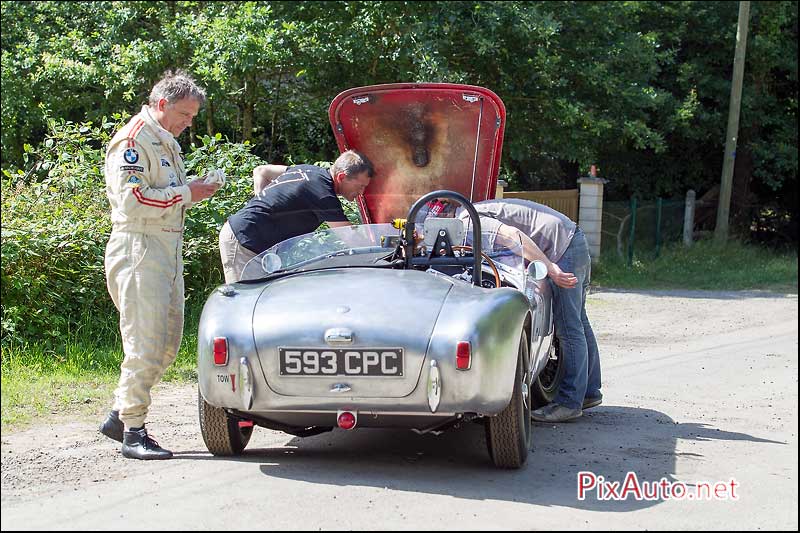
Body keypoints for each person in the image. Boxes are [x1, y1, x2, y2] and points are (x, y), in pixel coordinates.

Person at [99, 70, 220, 459]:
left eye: (193, 117)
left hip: (165, 248)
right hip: (139, 248)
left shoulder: (164, 141)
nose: (188, 124)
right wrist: (187, 192)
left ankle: (120, 414)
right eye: (185, 115)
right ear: (162, 104)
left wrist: (194, 191)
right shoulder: (134, 141)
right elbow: (132, 201)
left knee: (167, 341)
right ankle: (134, 431)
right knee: (144, 342)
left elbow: (163, 193)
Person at [457, 198, 601, 422]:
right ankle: (589, 392)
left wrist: (551, 269)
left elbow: (515, 238)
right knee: (578, 321)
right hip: (572, 239)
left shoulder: (468, 220)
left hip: (563, 249)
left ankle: (569, 402)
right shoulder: (474, 210)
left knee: (569, 327)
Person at [218, 150, 375, 283]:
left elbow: (261, 171)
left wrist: (264, 203)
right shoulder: (322, 193)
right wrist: (380, 253)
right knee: (247, 302)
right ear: (341, 177)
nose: (361, 193)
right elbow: (350, 238)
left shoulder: (308, 171)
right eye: (360, 186)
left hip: (257, 244)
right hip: (243, 240)